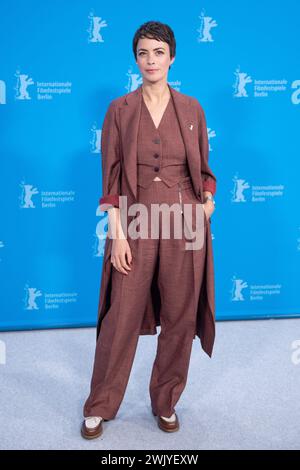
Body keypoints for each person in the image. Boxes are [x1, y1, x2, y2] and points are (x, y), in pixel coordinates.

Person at [81, 20, 217, 440]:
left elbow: (206, 172)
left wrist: (208, 204)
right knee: (120, 316)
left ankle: (166, 401)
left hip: (185, 223)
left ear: (171, 57)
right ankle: (100, 404)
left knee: (179, 316)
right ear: (135, 59)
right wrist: (117, 233)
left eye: (159, 52)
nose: (151, 60)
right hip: (136, 220)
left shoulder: (192, 108)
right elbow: (112, 178)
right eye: (143, 52)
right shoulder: (119, 110)